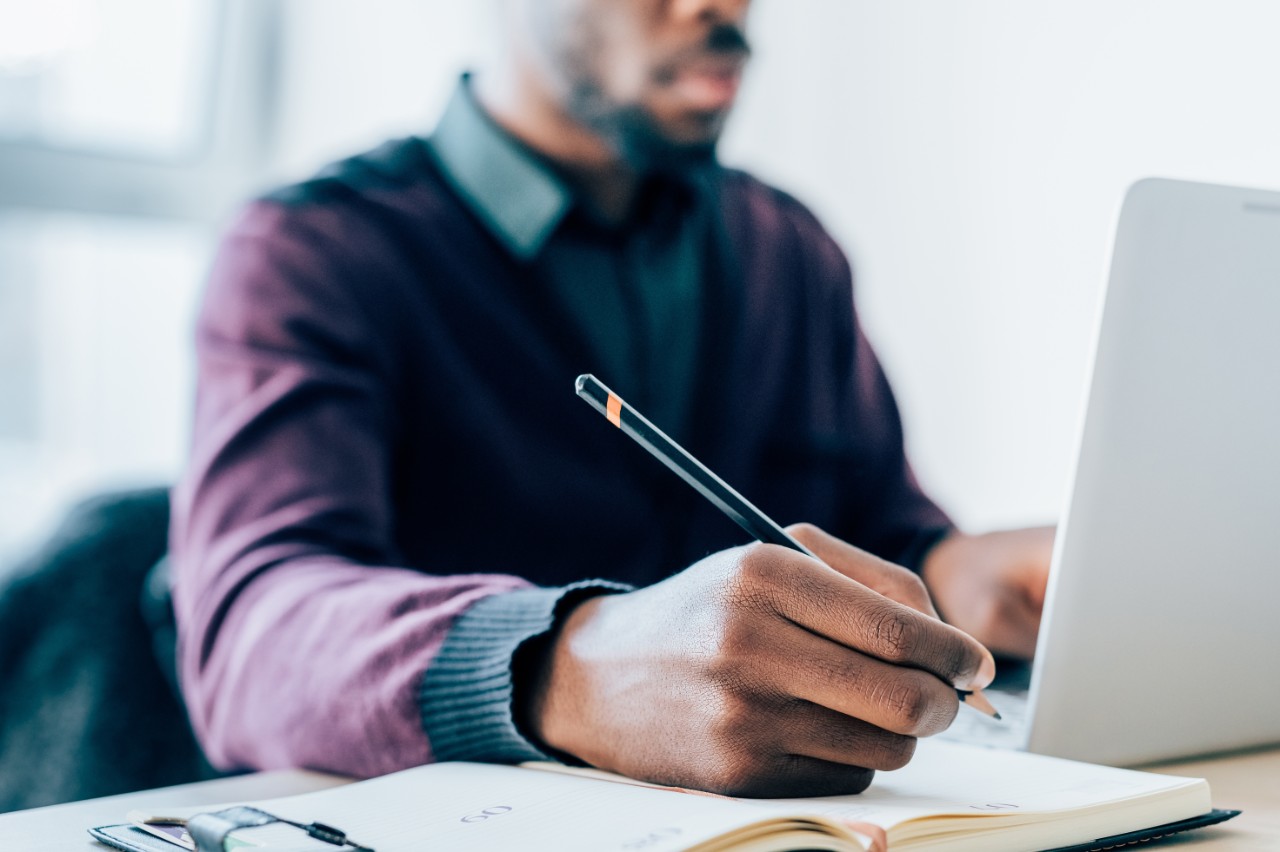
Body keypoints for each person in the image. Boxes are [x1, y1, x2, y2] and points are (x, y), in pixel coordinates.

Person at [171, 0, 1053, 798]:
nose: (722, 7)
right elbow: (253, 631)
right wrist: (570, 670)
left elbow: (879, 535)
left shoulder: (790, 248)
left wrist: (969, 582)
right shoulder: (312, 254)